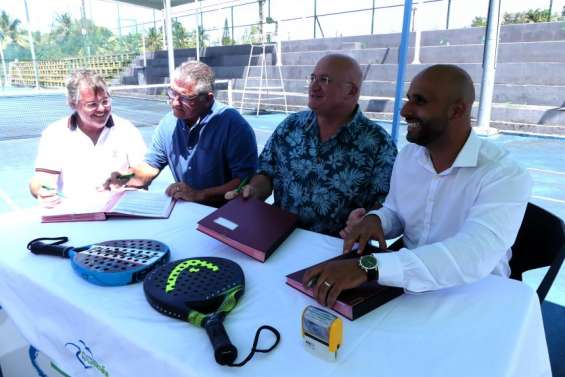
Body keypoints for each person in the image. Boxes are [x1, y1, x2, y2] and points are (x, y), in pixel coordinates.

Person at [304, 64, 532, 307]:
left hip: (472, 298)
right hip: (404, 289)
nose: (405, 110)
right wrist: (376, 220)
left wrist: (368, 267)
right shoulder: (409, 156)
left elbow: (472, 255)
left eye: (419, 101)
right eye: (408, 99)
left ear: (457, 110)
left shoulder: (504, 175)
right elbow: (396, 211)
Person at [225, 54, 397, 236]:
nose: (313, 86)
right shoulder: (290, 126)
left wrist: (364, 222)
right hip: (277, 237)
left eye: (324, 80)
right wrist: (254, 191)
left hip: (335, 249)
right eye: (313, 78)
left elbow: (386, 207)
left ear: (351, 91)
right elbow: (267, 172)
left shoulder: (378, 144)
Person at [104, 61, 257, 206]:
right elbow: (150, 166)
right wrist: (125, 178)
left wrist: (200, 194)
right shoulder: (168, 123)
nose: (175, 103)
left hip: (225, 216)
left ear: (208, 99)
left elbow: (244, 181)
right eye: (172, 93)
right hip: (187, 211)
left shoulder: (234, 126)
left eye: (185, 97)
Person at [29, 69, 146, 206]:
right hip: (75, 216)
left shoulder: (127, 129)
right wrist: (40, 190)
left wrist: (124, 177)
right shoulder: (54, 134)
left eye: (105, 101)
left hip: (120, 212)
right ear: (73, 104)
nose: (102, 109)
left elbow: (143, 172)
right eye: (92, 104)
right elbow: (40, 182)